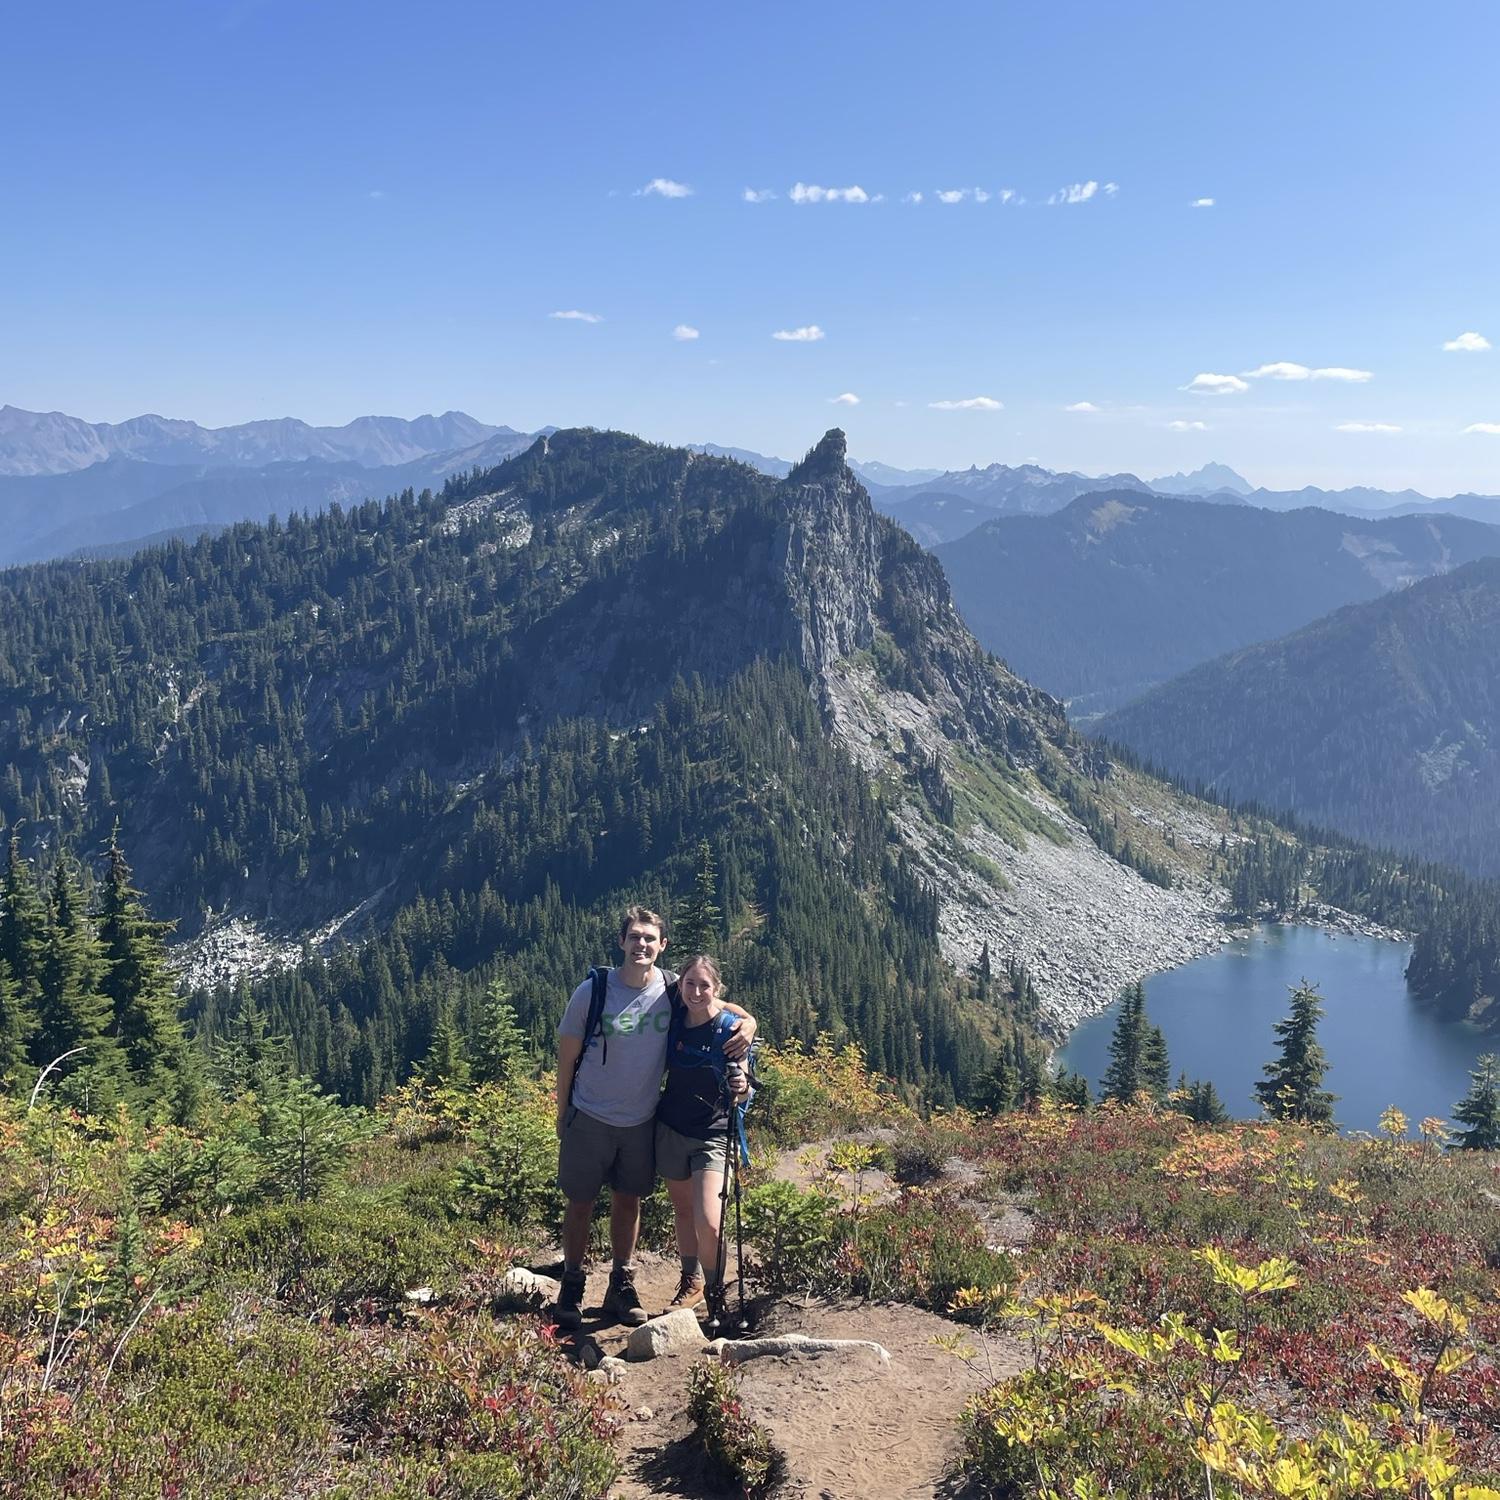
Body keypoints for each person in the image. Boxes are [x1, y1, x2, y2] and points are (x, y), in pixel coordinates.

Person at [553, 906, 754, 1329]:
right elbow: (567, 1057)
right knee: (581, 1203)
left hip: (642, 1120)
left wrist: (748, 1023)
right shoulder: (592, 992)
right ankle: (572, 1283)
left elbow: (713, 1000)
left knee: (629, 1201)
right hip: (589, 1114)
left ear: (662, 946)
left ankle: (621, 1284)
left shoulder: (670, 988)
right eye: (634, 937)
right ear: (621, 941)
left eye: (650, 938)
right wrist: (562, 1115)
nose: (641, 945)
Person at [655, 954, 749, 1316]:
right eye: (689, 984)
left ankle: (715, 1293)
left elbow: (743, 1084)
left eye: (704, 985)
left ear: (717, 989)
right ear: (680, 986)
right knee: (683, 1211)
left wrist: (741, 1088)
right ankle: (691, 1280)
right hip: (671, 1129)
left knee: (709, 1221)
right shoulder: (675, 1020)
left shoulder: (729, 1029)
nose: (696, 992)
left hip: (714, 1134)